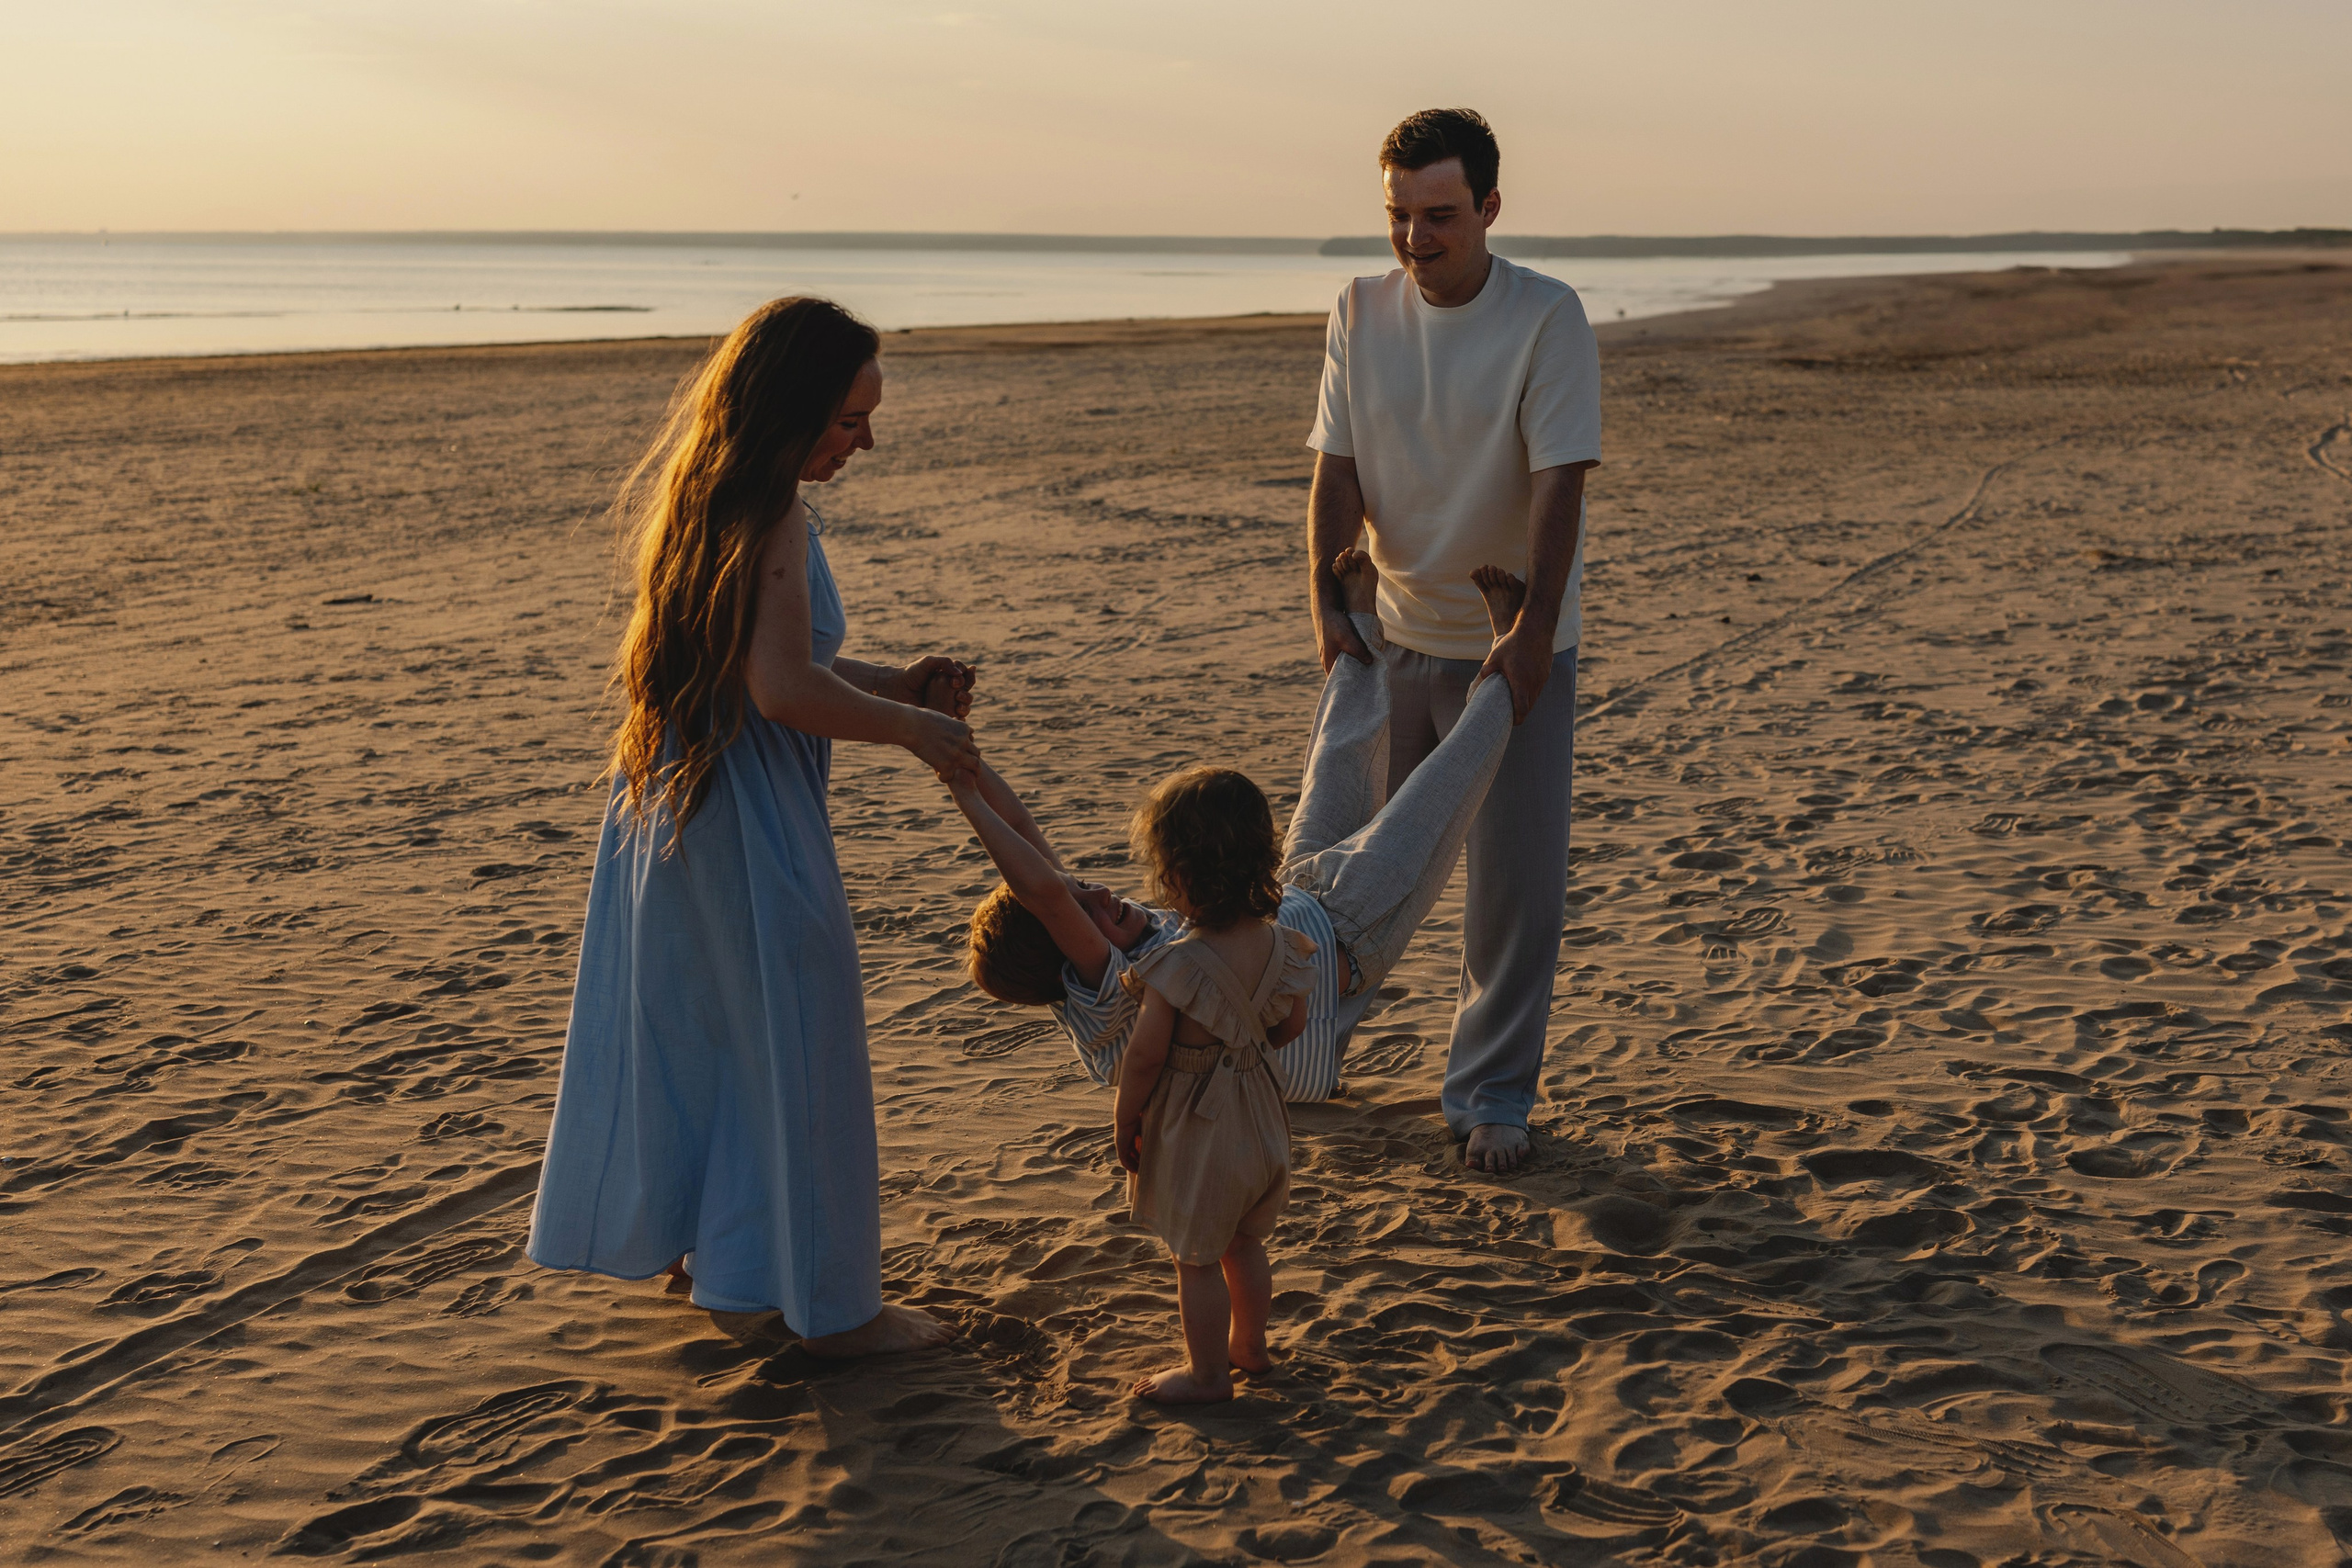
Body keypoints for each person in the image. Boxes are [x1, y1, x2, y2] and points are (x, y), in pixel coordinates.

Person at [526, 297, 975, 1358]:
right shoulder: (769, 506)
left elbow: (771, 665)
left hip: (670, 811)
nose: (863, 440)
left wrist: (894, 680)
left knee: (710, 1033)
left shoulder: (701, 491)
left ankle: (716, 1261)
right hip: (742, 812)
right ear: (792, 407)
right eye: (849, 417)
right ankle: (828, 1309)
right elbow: (781, 691)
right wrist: (915, 730)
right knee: (795, 1038)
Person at [950, 556, 1526, 1133]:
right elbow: (1044, 890)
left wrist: (961, 759)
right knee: (1436, 795)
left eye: (1083, 889)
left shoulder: (1103, 938)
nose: (1097, 892)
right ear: (1063, 952)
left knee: (1336, 762)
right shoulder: (1105, 1001)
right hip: (1347, 936)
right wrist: (966, 801)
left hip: (1290, 898)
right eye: (1081, 909)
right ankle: (1508, 663)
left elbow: (1030, 839)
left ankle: (1362, 624)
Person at [1306, 107, 1602, 1175]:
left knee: (1513, 891)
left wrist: (1529, 635)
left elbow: (1559, 482)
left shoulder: (1547, 316)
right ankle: (1303, 1052)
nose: (1413, 238)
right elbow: (1336, 467)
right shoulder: (1357, 308)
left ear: (1486, 209)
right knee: (1346, 874)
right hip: (1389, 638)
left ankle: (1491, 1095)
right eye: (1396, 215)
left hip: (1510, 650)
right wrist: (1325, 606)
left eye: (1437, 215)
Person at [1113, 766, 1318, 1404]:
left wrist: (1127, 1116)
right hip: (1260, 1116)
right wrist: (1243, 1049)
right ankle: (1249, 1346)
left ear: (1177, 874)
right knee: (1244, 1240)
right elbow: (1291, 1023)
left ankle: (1207, 1377)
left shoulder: (1175, 965)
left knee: (1196, 1256)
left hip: (1199, 1128)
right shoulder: (1282, 945)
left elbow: (1145, 1057)